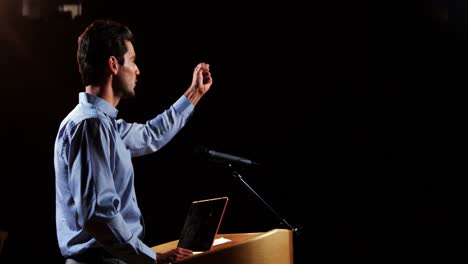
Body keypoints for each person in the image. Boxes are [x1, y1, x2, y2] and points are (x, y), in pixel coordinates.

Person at [53, 19, 213, 264]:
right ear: (113, 64)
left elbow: (151, 135)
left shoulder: (105, 126)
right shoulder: (90, 126)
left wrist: (194, 93)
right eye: (133, 61)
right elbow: (100, 215)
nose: (137, 70)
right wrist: (152, 258)